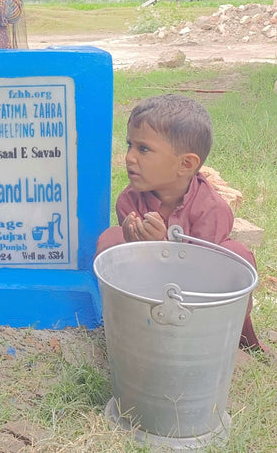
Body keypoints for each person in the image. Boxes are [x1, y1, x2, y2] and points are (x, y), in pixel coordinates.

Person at [95, 94, 263, 351]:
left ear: (186, 164)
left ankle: (226, 341)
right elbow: (134, 272)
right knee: (111, 240)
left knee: (237, 255)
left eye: (143, 149)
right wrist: (133, 246)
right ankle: (123, 334)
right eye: (130, 145)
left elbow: (203, 275)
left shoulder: (212, 210)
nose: (129, 157)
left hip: (199, 310)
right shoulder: (129, 201)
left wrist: (161, 246)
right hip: (147, 303)